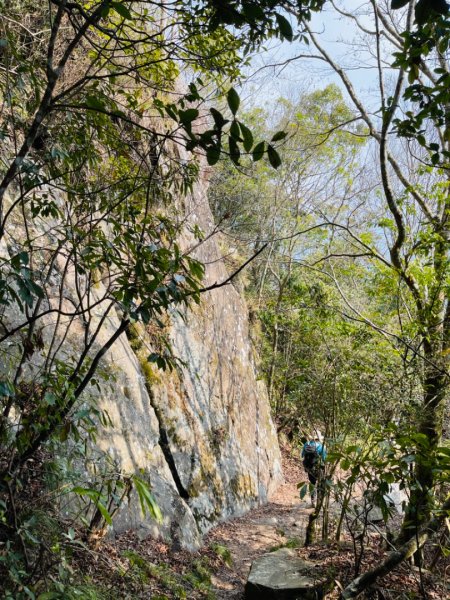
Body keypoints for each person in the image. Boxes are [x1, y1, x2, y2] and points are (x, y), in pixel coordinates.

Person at [301, 432, 326, 506]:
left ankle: (313, 501)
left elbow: (302, 455)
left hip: (309, 467)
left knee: (312, 483)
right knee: (320, 483)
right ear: (319, 438)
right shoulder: (321, 446)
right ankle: (319, 500)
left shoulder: (306, 444)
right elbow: (324, 458)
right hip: (319, 467)